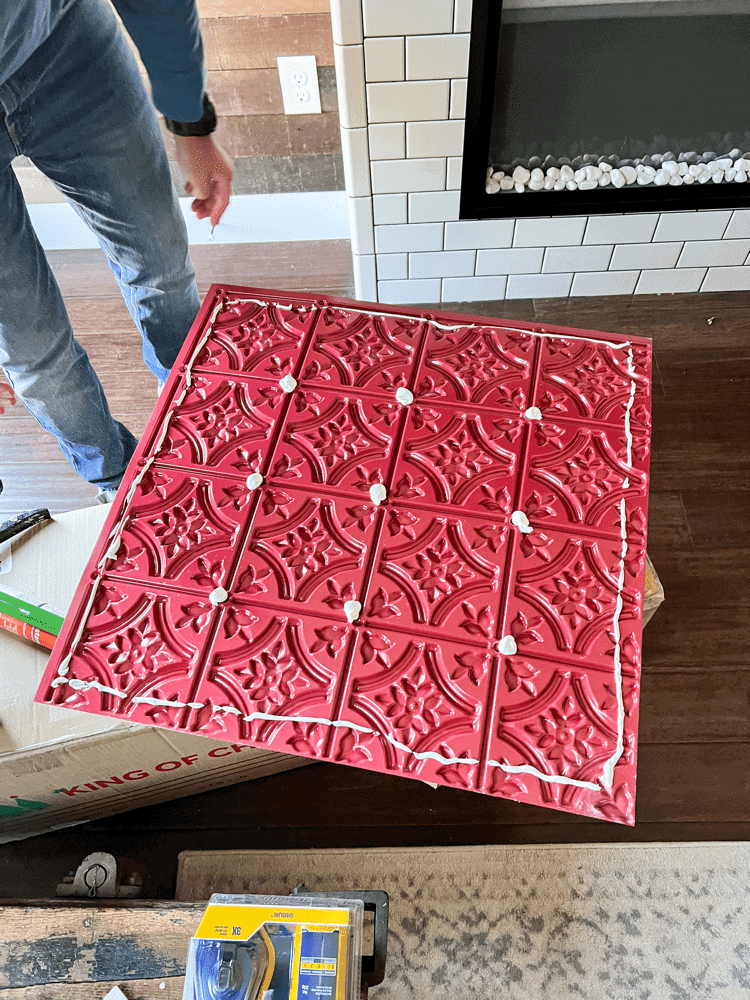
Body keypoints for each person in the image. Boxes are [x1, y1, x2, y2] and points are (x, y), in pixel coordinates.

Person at [0, 0, 233, 502]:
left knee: (161, 267)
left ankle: (199, 421)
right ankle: (121, 487)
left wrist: (189, 123)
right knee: (33, 351)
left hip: (61, 44)